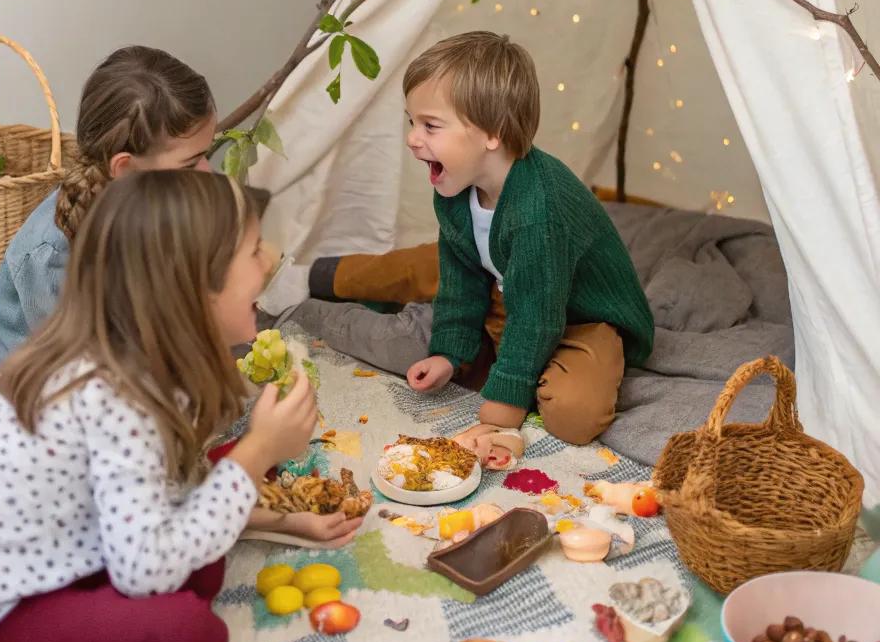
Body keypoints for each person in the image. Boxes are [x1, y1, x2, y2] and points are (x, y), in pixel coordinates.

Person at [0, 172, 331, 642]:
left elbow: (161, 496)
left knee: (204, 564)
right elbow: (146, 573)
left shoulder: (132, 361)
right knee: (188, 636)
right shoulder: (116, 393)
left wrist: (280, 515)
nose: (270, 261)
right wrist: (256, 452)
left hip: (53, 555)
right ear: (195, 287)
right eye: (254, 251)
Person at [274, 33, 653, 452]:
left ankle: (516, 362)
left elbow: (536, 317)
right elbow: (459, 279)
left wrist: (502, 412)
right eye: (412, 122)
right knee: (422, 267)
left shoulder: (539, 210)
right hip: (506, 285)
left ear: (493, 133)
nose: (412, 139)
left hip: (579, 315)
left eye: (430, 126)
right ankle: (310, 277)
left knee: (575, 413)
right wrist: (448, 353)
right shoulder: (456, 188)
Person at [0, 45, 217, 400]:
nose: (208, 172)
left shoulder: (153, 209)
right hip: (30, 402)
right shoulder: (49, 253)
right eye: (191, 164)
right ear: (127, 169)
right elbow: (70, 372)